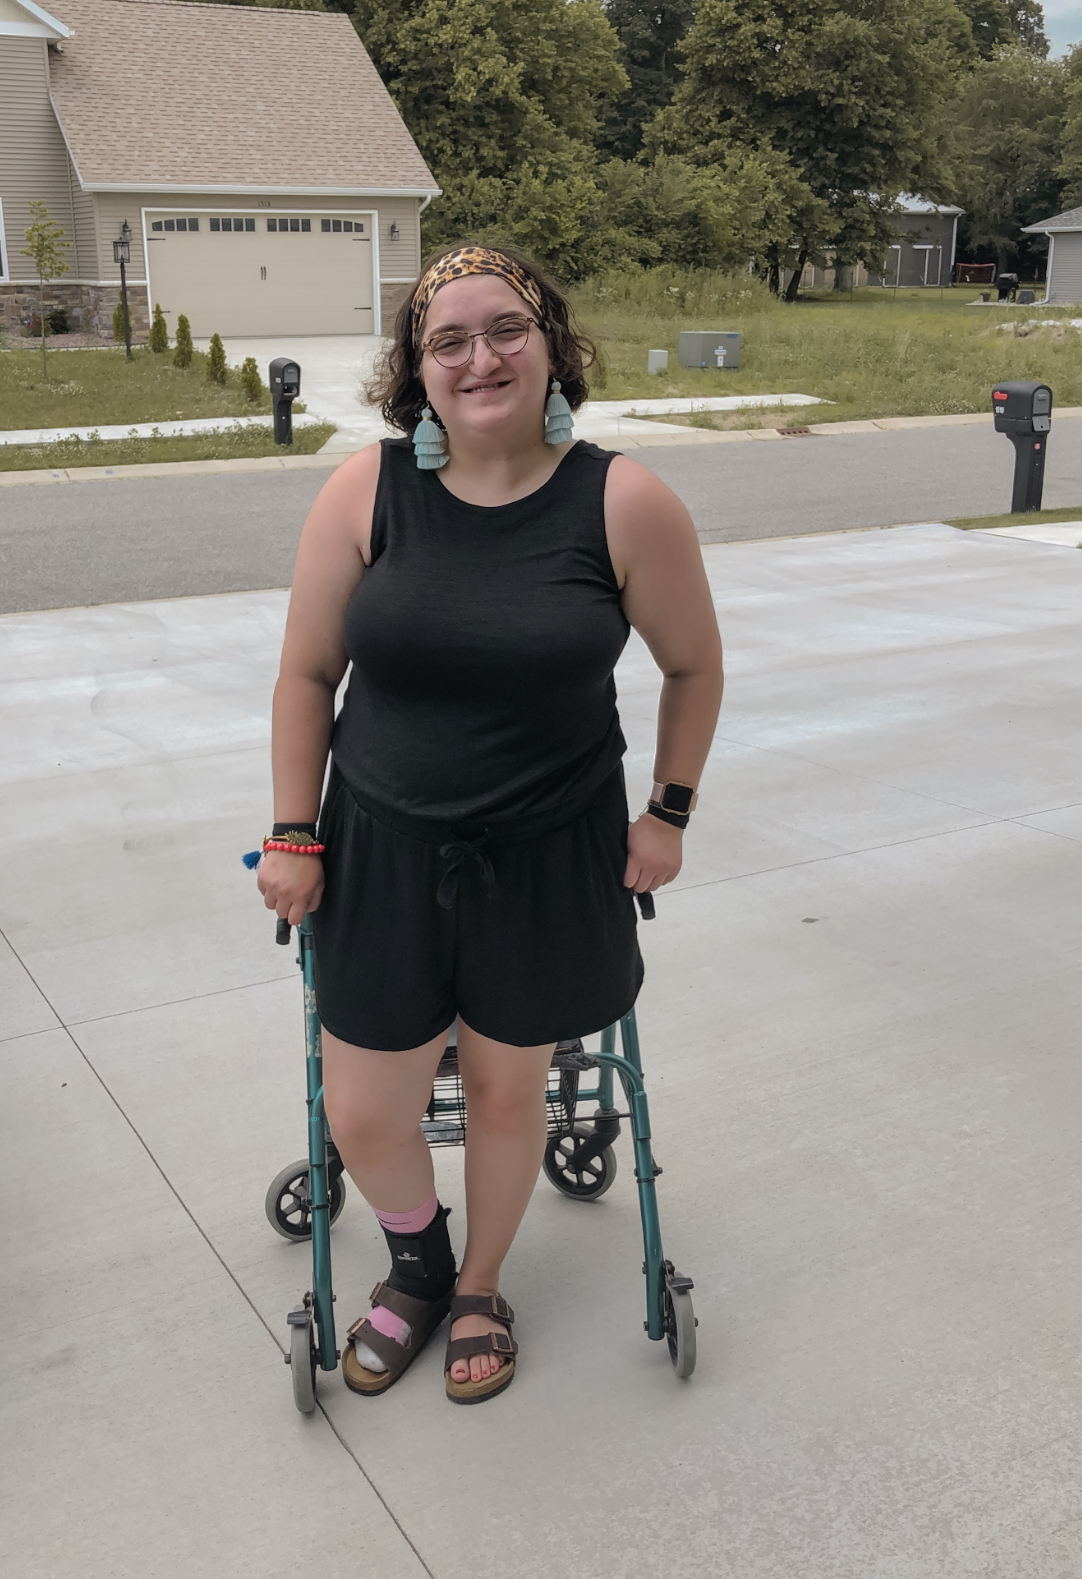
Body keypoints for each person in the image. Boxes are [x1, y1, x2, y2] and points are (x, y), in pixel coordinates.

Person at [257, 243, 723, 1405]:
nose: (480, 358)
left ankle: (478, 1283)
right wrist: (293, 830)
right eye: (448, 340)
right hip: (381, 851)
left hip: (547, 856)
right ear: (416, 371)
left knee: (510, 1096)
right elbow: (307, 673)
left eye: (506, 328)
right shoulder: (365, 491)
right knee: (362, 1109)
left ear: (551, 344)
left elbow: (692, 665)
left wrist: (666, 813)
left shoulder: (622, 501)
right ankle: (416, 1261)